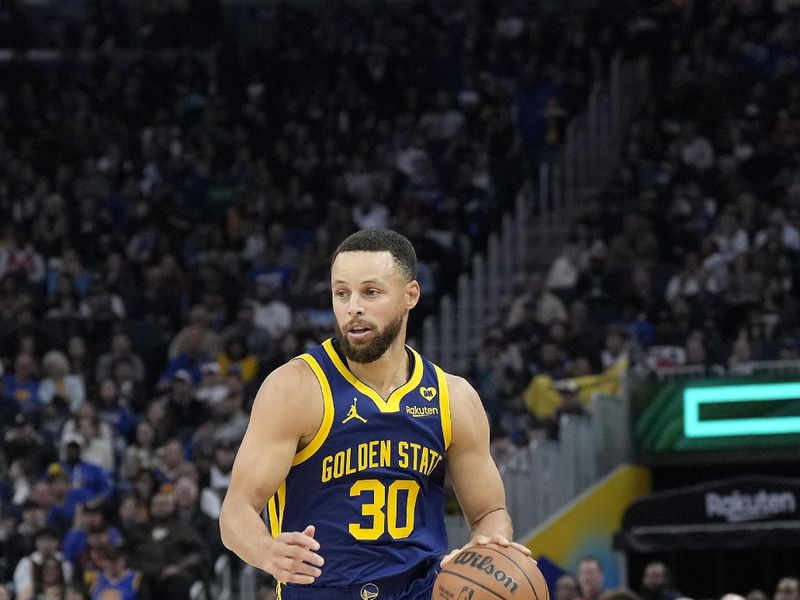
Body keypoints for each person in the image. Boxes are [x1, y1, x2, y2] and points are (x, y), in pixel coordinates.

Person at [220, 229, 531, 599]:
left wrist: (486, 547)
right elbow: (236, 512)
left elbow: (489, 512)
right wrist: (269, 552)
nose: (353, 307)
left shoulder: (453, 397)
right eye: (341, 293)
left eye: (370, 292)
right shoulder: (296, 388)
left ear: (410, 295)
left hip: (420, 590)